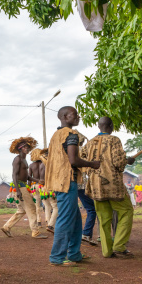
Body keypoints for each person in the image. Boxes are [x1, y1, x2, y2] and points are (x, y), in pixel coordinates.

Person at [45, 106, 100, 266]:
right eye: (74, 114)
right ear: (64, 116)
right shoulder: (71, 134)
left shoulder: (56, 135)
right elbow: (73, 160)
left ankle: (74, 254)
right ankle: (57, 257)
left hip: (60, 181)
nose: (78, 117)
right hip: (68, 181)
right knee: (66, 219)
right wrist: (92, 164)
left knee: (75, 219)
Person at [81, 116, 135, 258]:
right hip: (114, 186)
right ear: (111, 126)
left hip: (96, 186)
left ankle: (106, 251)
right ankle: (119, 245)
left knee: (103, 218)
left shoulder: (90, 143)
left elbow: (81, 160)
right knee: (127, 211)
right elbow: (118, 162)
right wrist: (127, 160)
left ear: (99, 126)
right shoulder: (114, 140)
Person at [2, 137, 48, 239]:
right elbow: (14, 175)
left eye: (28, 147)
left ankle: (6, 227)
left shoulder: (24, 160)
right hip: (20, 187)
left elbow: (26, 176)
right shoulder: (17, 159)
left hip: (22, 186)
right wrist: (18, 190)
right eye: (25, 147)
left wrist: (37, 181)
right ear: (20, 148)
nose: (27, 149)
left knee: (22, 210)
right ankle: (35, 232)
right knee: (31, 208)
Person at [35, 148, 58, 234]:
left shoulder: (41, 164)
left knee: (47, 206)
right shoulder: (49, 163)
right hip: (49, 187)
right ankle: (51, 225)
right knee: (56, 207)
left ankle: (49, 222)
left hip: (42, 188)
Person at [28, 149, 44, 227]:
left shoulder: (31, 165)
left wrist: (28, 188)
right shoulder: (44, 163)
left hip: (34, 186)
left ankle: (39, 221)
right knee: (47, 204)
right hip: (43, 185)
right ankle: (48, 220)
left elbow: (29, 178)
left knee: (37, 205)